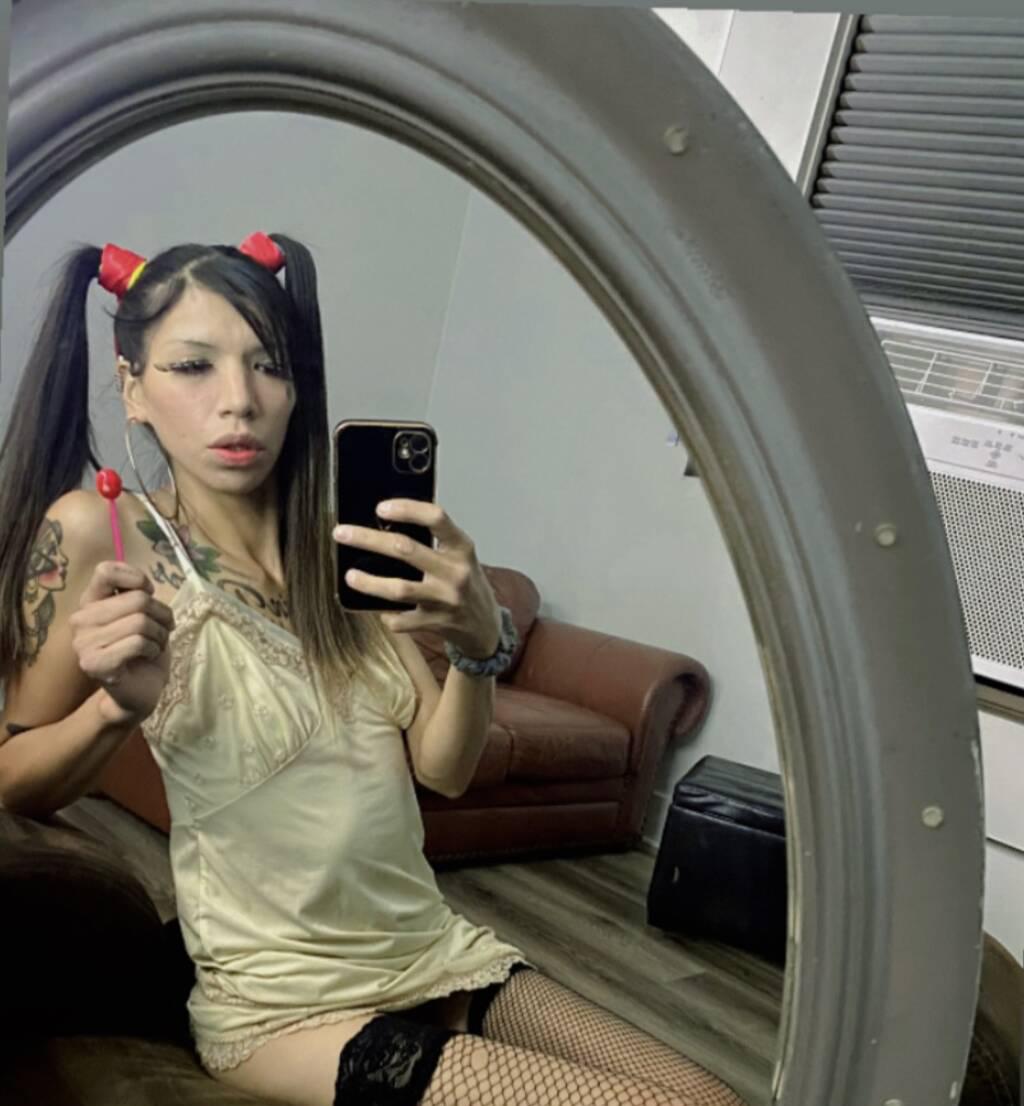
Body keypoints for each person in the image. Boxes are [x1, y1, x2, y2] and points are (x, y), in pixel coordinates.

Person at [0, 232, 744, 1106]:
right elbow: (14, 780)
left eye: (268, 366)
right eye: (194, 366)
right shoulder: (102, 533)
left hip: (429, 946)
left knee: (710, 1098)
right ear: (133, 387)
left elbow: (445, 767)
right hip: (285, 1002)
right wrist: (112, 714)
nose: (238, 400)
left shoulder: (340, 549)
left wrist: (478, 646)